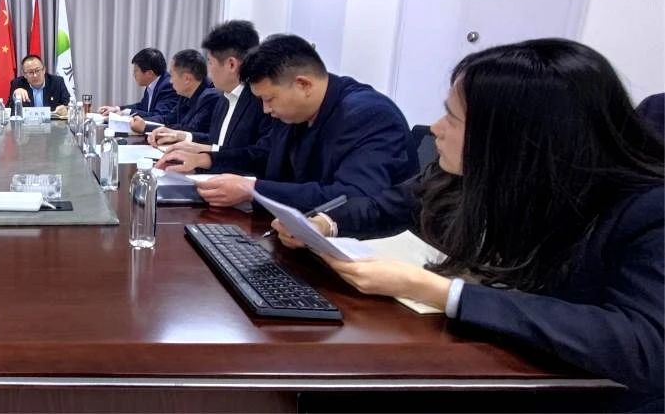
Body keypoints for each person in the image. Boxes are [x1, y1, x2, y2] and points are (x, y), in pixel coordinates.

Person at [272, 39, 664, 411]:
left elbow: (643, 345)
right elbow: (393, 204)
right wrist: (326, 223)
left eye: (453, 118)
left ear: (514, 137)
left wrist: (442, 292)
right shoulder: (474, 172)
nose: (435, 129)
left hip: (568, 393)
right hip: (485, 357)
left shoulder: (646, 209)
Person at [159, 34, 416, 212]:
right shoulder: (293, 111)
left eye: (269, 99)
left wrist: (254, 190)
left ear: (303, 84)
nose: (266, 110)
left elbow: (351, 197)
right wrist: (205, 159)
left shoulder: (368, 115)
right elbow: (263, 155)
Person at [147, 20, 269, 156]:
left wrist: (206, 157)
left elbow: (258, 155)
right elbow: (217, 141)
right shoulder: (224, 98)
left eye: (210, 62)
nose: (208, 72)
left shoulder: (262, 102)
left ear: (231, 65)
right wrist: (182, 136)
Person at [130, 49, 219, 135]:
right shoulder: (185, 94)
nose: (170, 81)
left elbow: (188, 129)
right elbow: (168, 119)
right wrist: (143, 123)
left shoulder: (210, 98)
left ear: (187, 79)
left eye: (172, 75)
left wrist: (146, 127)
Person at [98, 48, 177, 121]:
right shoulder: (153, 83)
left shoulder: (168, 86)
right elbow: (142, 106)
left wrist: (126, 112)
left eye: (136, 70)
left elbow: (158, 116)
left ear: (149, 73)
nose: (133, 74)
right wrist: (117, 109)